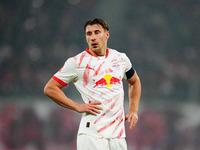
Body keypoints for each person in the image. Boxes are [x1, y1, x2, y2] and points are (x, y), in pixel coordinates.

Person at [44, 18, 141, 150]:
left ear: (107, 34)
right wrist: (76, 106)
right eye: (89, 34)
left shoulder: (120, 58)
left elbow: (134, 81)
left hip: (117, 136)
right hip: (92, 134)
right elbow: (50, 88)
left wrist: (133, 110)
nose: (93, 37)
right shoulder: (77, 62)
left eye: (97, 32)